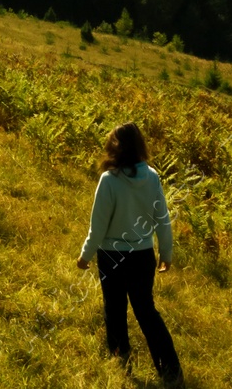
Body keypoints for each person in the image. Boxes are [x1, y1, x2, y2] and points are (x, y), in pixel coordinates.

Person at [76, 123, 184, 386]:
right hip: (143, 254)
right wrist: (166, 252)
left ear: (114, 146)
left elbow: (98, 226)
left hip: (112, 255)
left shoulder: (109, 180)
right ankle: (170, 369)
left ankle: (120, 359)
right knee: (146, 310)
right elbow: (162, 218)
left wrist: (85, 255)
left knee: (114, 308)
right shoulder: (152, 176)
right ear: (140, 146)